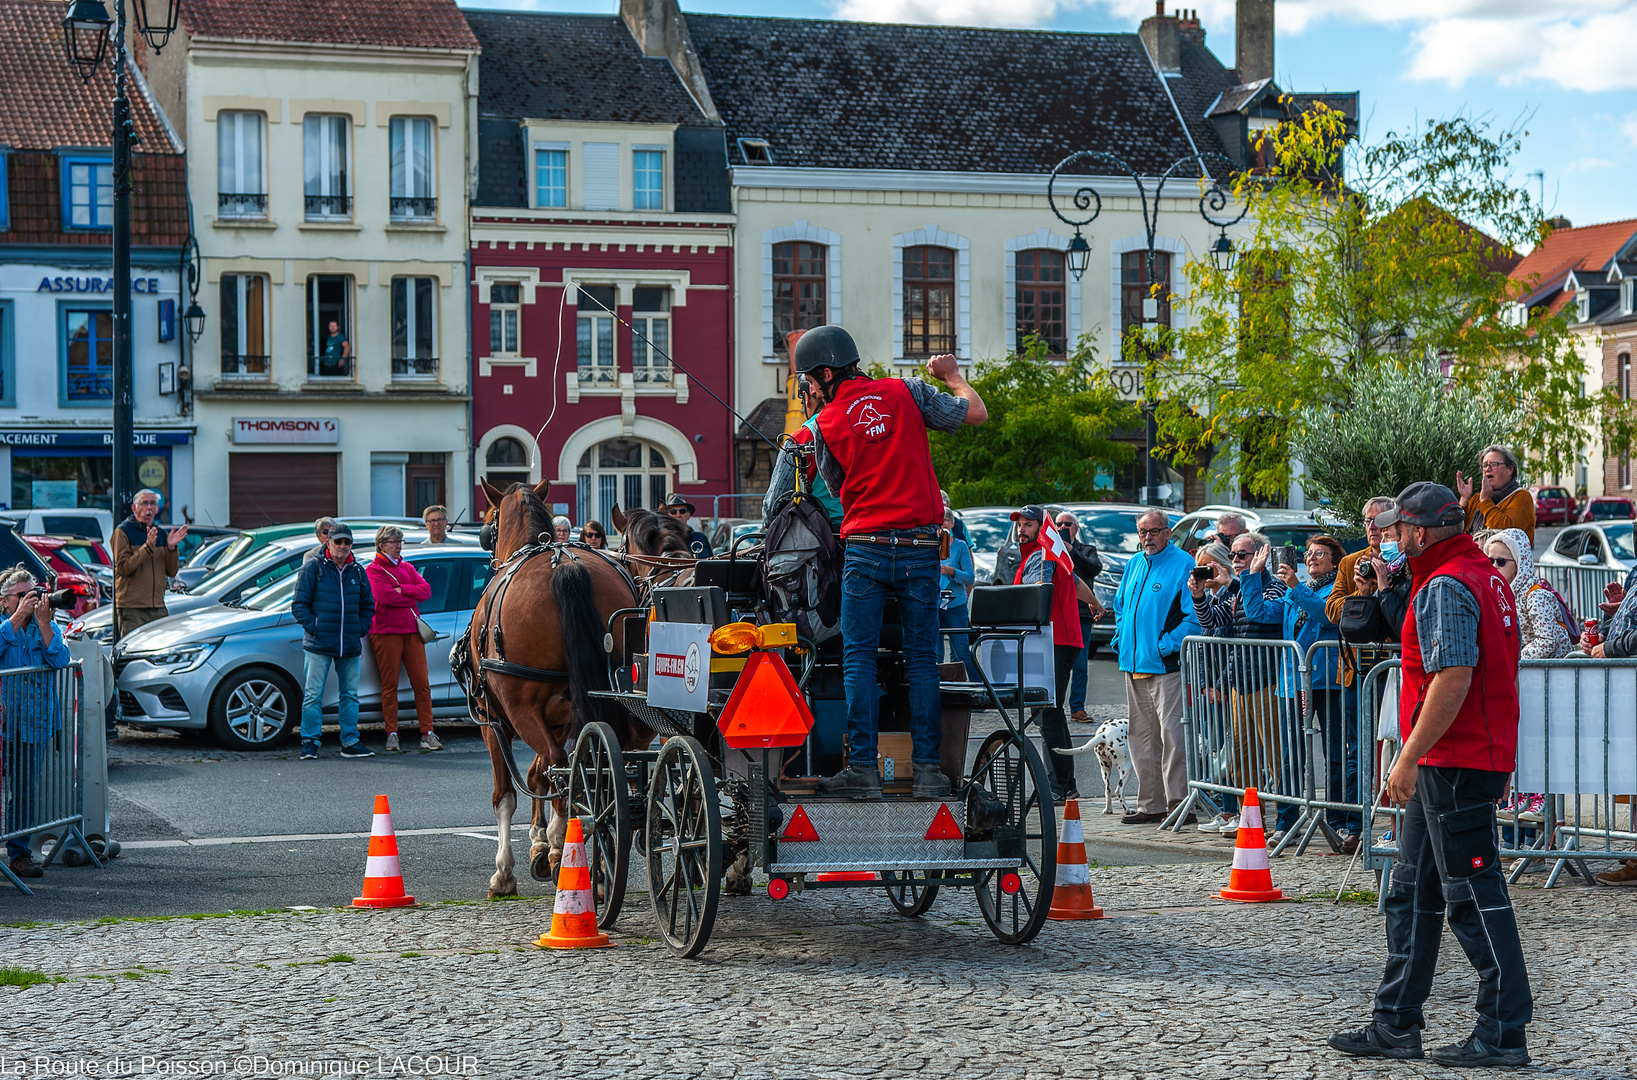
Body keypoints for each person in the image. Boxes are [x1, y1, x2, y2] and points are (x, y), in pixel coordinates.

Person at [1330, 482, 1532, 1068]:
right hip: (1457, 756)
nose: (1392, 538)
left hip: (1455, 759)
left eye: (1398, 529)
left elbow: (1453, 678)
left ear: (1419, 533)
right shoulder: (1475, 573)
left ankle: (1503, 1030)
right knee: (1411, 890)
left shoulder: (1446, 583)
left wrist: (1408, 756)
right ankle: (1396, 1021)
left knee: (1471, 894)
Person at [796, 325, 987, 800]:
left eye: (808, 383)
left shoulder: (824, 424)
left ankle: (861, 769)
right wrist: (954, 376)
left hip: (866, 546)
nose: (808, 391)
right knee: (922, 659)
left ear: (824, 373)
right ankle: (927, 770)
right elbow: (974, 413)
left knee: (859, 659)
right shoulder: (907, 390)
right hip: (922, 547)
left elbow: (837, 487)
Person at [1244, 535, 1351, 849]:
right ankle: (1286, 821)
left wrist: (1295, 587)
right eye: (1309, 553)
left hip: (1327, 680)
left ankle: (1338, 820)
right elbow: (1260, 613)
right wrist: (1253, 574)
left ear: (1334, 560)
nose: (1312, 557)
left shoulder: (1335, 589)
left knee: (1334, 755)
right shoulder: (1297, 590)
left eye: (1320, 553)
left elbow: (1325, 615)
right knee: (1291, 757)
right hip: (1292, 682)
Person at [1111, 508, 1201, 824]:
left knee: (1173, 737)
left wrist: (1165, 645)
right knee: (1141, 738)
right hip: (1133, 663)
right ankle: (1151, 805)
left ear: (1167, 531)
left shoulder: (1184, 565)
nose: (1148, 538)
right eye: (1143, 532)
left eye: (1154, 531)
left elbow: (1194, 619)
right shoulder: (1134, 563)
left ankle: (1180, 806)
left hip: (1167, 666)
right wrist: (1121, 637)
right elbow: (1120, 606)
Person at [1190, 531, 1281, 836]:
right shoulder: (1237, 590)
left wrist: (1235, 582)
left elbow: (1261, 615)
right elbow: (1213, 622)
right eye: (1233, 555)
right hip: (1240, 685)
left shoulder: (1273, 584)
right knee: (1242, 758)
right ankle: (1251, 819)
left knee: (1277, 758)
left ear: (1260, 555)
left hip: (1266, 682)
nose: (1237, 560)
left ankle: (1285, 821)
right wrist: (1199, 595)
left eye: (1243, 555)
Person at [1013, 504, 1092, 801]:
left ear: (1041, 527)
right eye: (1019, 524)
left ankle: (1058, 786)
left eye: (1028, 525)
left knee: (1048, 714)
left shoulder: (1043, 554)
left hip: (1053, 642)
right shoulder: (1051, 552)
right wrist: (1095, 603)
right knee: (1052, 714)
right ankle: (1064, 784)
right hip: (1058, 642)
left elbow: (1040, 589)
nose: (1022, 529)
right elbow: (1075, 581)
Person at [0, 568, 72, 880]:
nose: (33, 600)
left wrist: (43, 624)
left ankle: (19, 855)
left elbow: (61, 660)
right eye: (23, 595)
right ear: (4, 601)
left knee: (25, 793)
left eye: (35, 593)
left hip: (34, 722)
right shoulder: (6, 625)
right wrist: (16, 619)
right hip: (4, 723)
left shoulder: (46, 626)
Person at [291, 523, 376, 760]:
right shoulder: (313, 568)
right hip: (318, 644)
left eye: (346, 542)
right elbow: (298, 605)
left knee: (350, 695)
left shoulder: (358, 571)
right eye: (337, 541)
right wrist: (316, 628)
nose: (342, 546)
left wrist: (359, 628)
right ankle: (310, 741)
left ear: (351, 545)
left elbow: (368, 606)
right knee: (313, 695)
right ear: (328, 542)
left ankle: (350, 741)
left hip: (348, 644)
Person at [365, 526, 439, 754]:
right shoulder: (373, 569)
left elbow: (426, 591)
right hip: (386, 633)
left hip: (411, 631)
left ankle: (427, 732)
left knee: (422, 684)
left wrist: (402, 589)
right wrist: (409, 594)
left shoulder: (407, 567)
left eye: (400, 541)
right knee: (389, 686)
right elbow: (384, 596)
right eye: (393, 541)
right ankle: (392, 733)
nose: (398, 545)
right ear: (381, 545)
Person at [762, 374, 846, 531]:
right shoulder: (861, 425)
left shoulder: (802, 437)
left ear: (807, 397)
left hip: (822, 538)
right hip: (864, 533)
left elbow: (772, 508)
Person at [111, 488, 186, 637]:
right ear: (134, 508)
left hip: (157, 606)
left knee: (160, 652)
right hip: (133, 608)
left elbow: (171, 571)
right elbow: (123, 568)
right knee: (134, 650)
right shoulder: (123, 532)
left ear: (157, 509)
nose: (149, 508)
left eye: (153, 504)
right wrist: (147, 548)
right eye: (144, 503)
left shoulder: (161, 534)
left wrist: (171, 548)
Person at [1487, 529, 1570, 660]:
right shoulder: (1499, 594)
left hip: (1549, 671)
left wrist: (1514, 660)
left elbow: (1547, 641)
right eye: (1490, 561)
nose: (1495, 566)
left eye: (1501, 561)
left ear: (1518, 564)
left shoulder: (1536, 596)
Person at [1056, 510, 1106, 724]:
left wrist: (1071, 551)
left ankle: (1077, 707)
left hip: (1081, 613)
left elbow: (1094, 569)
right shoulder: (1051, 549)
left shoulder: (1086, 550)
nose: (1063, 527)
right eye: (1059, 524)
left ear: (1076, 528)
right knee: (1055, 662)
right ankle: (1054, 705)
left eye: (1068, 523)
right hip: (1059, 612)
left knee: (1080, 663)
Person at [1457, 444, 1536, 543]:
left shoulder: (1521, 496)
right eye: (1485, 465)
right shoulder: (1477, 498)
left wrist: (1486, 502)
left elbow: (1506, 533)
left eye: (1494, 464)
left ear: (1510, 469)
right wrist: (1464, 499)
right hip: (1471, 557)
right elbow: (1456, 529)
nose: (1487, 469)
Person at [938, 506, 978, 680]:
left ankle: (981, 690)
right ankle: (937, 693)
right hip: (933, 605)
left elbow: (970, 577)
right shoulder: (929, 545)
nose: (943, 523)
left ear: (953, 523)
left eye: (947, 519)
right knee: (935, 654)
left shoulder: (960, 546)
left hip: (956, 605)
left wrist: (951, 571)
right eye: (940, 520)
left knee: (962, 651)